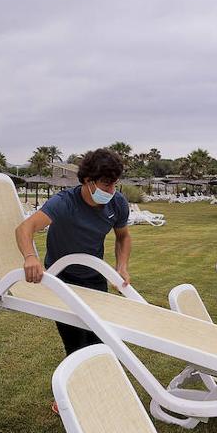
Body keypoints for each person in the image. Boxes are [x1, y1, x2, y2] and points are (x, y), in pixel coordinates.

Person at [15, 148, 132, 412]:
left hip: (94, 277)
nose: (111, 190)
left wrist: (121, 266)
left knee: (100, 340)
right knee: (75, 343)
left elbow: (123, 236)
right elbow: (25, 228)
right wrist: (30, 257)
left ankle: (93, 394)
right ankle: (68, 400)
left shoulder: (117, 203)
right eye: (105, 184)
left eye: (114, 183)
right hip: (62, 279)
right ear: (88, 181)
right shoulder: (64, 203)